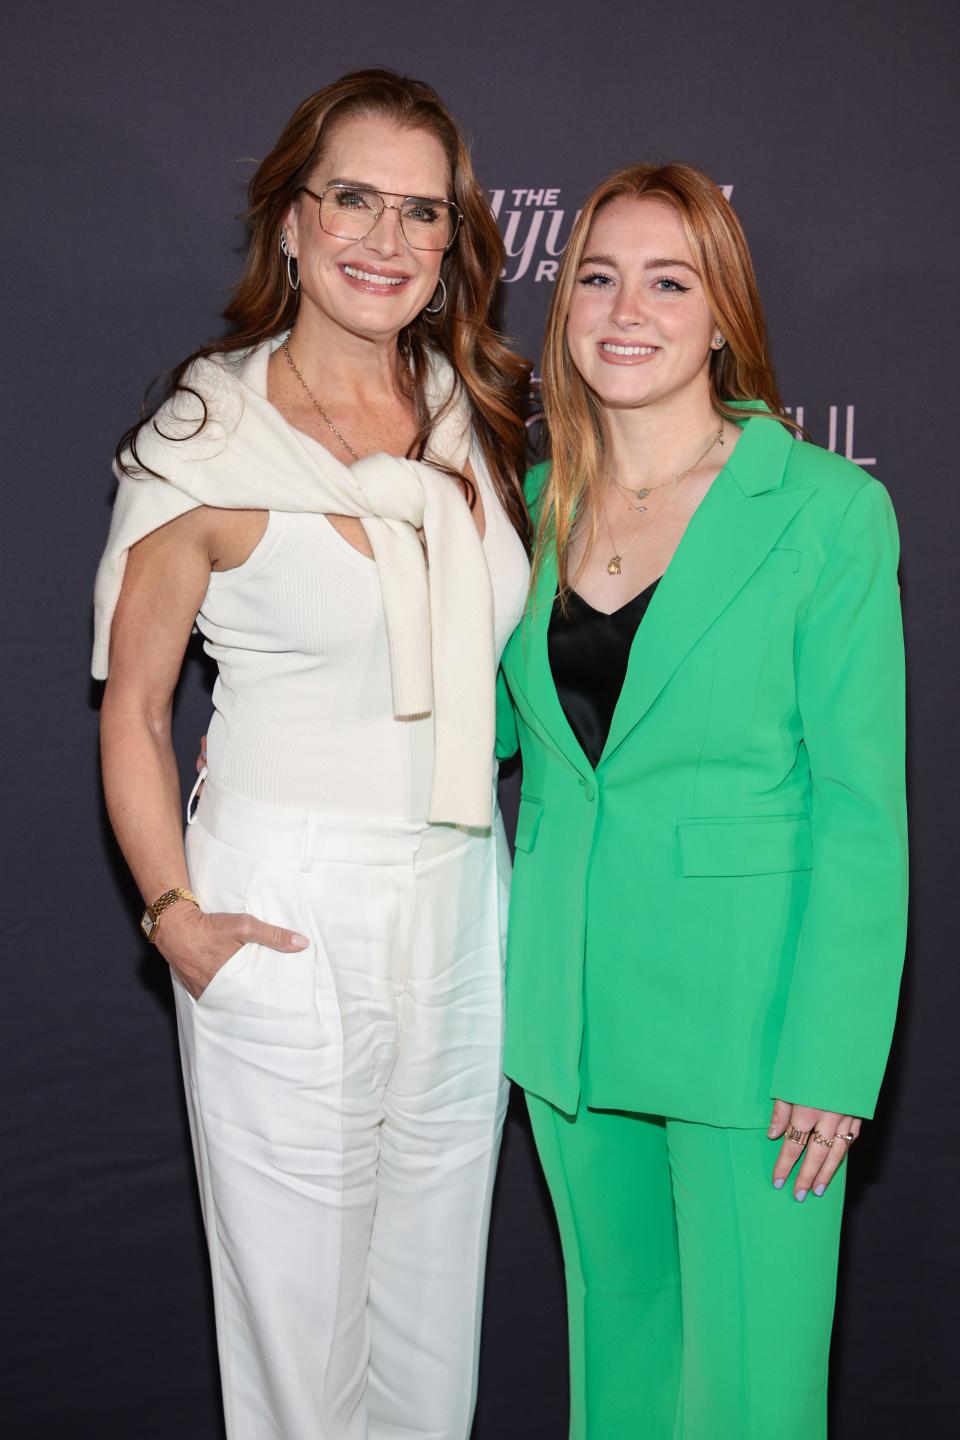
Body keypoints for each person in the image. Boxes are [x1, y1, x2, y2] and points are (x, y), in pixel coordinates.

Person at [94, 69, 531, 1440]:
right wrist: (176, 915)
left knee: (428, 1308)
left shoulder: (475, 418)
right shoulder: (205, 437)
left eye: (422, 211)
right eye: (354, 198)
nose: (386, 239)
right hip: (282, 898)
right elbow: (133, 705)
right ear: (291, 218)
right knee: (296, 1328)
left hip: (461, 894)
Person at [495, 162, 907, 1439]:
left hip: (752, 1030)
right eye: (598, 278)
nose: (629, 308)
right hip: (569, 1016)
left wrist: (832, 1057)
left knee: (751, 1400)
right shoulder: (530, 504)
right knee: (614, 1376)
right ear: (563, 312)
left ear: (722, 312)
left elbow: (859, 805)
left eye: (668, 280)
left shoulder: (828, 510)